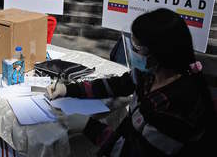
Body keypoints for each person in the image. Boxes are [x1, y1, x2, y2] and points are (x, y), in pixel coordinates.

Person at [47, 8, 217, 156]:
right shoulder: (149, 74)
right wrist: (68, 89)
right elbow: (115, 86)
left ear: (159, 53)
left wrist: (88, 126)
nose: (133, 53)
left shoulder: (178, 107)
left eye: (137, 48)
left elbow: (132, 152)